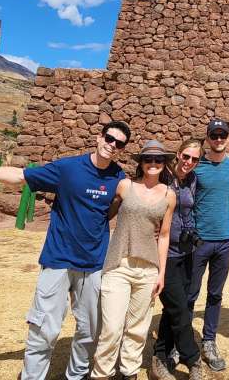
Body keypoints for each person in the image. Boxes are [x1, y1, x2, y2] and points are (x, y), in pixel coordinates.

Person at [0, 121, 131, 380]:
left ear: (122, 149)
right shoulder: (68, 169)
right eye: (109, 138)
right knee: (44, 329)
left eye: (119, 143)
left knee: (89, 330)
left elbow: (132, 201)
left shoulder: (118, 178)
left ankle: (77, 374)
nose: (112, 145)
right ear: (99, 137)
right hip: (59, 259)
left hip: (93, 264)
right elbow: (19, 176)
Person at [91, 140, 176, 380]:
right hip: (119, 264)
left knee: (138, 329)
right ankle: (102, 373)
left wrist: (161, 273)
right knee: (111, 328)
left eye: (158, 160)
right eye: (148, 159)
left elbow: (165, 235)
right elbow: (104, 215)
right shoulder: (124, 186)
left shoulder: (169, 196)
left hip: (148, 268)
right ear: (141, 163)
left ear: (164, 164)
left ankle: (130, 372)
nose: (153, 163)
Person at [187, 118, 229, 372]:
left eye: (223, 135)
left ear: (228, 137)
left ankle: (208, 340)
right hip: (200, 240)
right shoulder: (197, 166)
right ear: (207, 138)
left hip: (225, 239)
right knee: (190, 293)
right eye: (214, 135)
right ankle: (183, 340)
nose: (218, 139)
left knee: (215, 293)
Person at [151, 139, 208, 380]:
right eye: (186, 156)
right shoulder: (162, 177)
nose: (189, 162)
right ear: (178, 153)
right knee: (180, 308)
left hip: (186, 252)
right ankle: (192, 358)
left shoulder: (192, 180)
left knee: (175, 307)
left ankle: (160, 357)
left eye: (195, 159)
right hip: (163, 253)